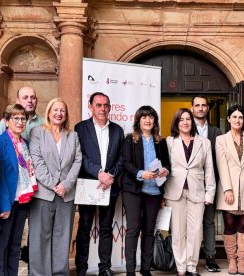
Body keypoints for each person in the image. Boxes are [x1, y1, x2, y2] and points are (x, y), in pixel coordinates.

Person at [28, 98, 82, 275]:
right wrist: (54, 185)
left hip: (66, 194)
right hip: (44, 193)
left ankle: (60, 272)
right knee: (40, 237)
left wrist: (65, 185)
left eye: (63, 111)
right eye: (55, 110)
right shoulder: (38, 132)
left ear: (66, 115)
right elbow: (36, 161)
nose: (59, 113)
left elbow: (77, 161)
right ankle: (39, 273)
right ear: (49, 112)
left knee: (62, 236)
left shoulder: (72, 135)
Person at [74, 92, 124, 276]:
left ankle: (105, 267)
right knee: (84, 227)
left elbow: (121, 158)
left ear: (110, 107)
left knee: (105, 227)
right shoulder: (80, 128)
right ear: (91, 107)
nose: (103, 109)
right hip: (88, 185)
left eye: (106, 105)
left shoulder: (118, 130)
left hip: (109, 186)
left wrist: (109, 176)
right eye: (98, 105)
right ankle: (81, 268)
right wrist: (98, 173)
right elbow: (80, 157)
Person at [164, 108, 216, 276]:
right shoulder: (170, 142)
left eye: (187, 119)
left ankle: (191, 267)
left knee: (196, 232)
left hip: (197, 192)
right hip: (174, 192)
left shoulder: (204, 142)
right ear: (176, 123)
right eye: (181, 119)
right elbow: (165, 167)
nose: (185, 122)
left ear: (192, 122)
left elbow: (209, 170)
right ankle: (181, 268)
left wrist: (210, 194)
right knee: (178, 232)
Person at [122, 105, 171, 276]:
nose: (148, 120)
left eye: (150, 117)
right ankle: (130, 271)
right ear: (138, 121)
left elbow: (167, 164)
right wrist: (141, 173)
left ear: (155, 121)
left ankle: (145, 269)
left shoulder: (161, 141)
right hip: (134, 190)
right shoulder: (130, 139)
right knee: (133, 229)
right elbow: (126, 163)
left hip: (154, 192)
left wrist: (165, 170)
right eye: (144, 117)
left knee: (149, 231)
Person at [0, 104, 38, 276]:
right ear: (7, 121)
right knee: (0, 245)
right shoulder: (0, 142)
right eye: (15, 118)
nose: (20, 122)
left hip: (22, 201)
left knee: (15, 244)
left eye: (23, 118)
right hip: (6, 202)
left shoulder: (25, 143)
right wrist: (3, 204)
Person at [215, 105, 244, 275]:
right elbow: (221, 165)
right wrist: (228, 189)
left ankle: (242, 260)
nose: (237, 120)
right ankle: (231, 259)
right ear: (229, 119)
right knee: (230, 223)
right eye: (234, 117)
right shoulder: (221, 139)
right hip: (228, 185)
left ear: (243, 120)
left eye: (240, 117)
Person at [191, 95, 222, 273]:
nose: (201, 108)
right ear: (192, 108)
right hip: (191, 185)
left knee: (209, 222)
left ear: (207, 109)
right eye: (197, 105)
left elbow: (219, 161)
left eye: (203, 105)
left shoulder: (216, 132)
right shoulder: (186, 128)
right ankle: (191, 258)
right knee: (192, 224)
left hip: (210, 184)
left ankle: (210, 258)